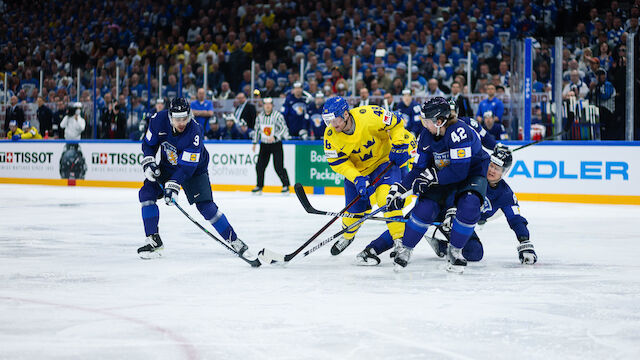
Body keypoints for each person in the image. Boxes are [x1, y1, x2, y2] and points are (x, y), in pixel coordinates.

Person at [380, 97, 490, 273]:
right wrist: (399, 189)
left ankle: (455, 251)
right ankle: (406, 249)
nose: (423, 124)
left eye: (426, 120)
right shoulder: (425, 135)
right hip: (443, 174)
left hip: (471, 174)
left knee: (470, 206)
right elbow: (418, 168)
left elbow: (459, 172)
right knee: (425, 208)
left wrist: (432, 177)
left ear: (439, 121)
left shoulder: (459, 131)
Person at [137, 97, 254, 260]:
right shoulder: (157, 120)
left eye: (185, 118)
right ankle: (153, 240)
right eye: (178, 119)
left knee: (206, 207)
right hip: (168, 165)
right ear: (170, 116)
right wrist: (149, 160)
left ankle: (234, 240)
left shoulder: (194, 132)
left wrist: (174, 184)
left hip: (194, 170)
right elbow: (148, 144)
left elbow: (187, 167)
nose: (182, 122)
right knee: (146, 194)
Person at [322, 97, 412, 256]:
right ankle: (348, 236)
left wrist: (398, 144)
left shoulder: (370, 114)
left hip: (383, 164)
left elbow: (397, 122)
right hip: (359, 172)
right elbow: (338, 162)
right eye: (329, 121)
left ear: (345, 114)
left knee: (387, 199)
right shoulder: (330, 135)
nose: (333, 125)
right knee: (352, 213)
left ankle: (400, 242)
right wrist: (356, 178)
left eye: (335, 120)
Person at [424, 147, 537, 265]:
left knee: (475, 253)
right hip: (444, 212)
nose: (492, 170)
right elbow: (451, 191)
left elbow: (515, 219)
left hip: (463, 223)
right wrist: (450, 209)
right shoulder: (472, 175)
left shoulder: (505, 194)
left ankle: (440, 244)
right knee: (413, 222)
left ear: (504, 172)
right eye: (491, 166)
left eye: (497, 169)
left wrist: (524, 241)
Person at [251, 98, 291, 194]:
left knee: (278, 166)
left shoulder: (277, 116)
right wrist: (255, 142)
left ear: (272, 105)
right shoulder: (259, 117)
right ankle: (259, 186)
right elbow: (257, 130)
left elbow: (284, 128)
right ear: (263, 105)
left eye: (269, 104)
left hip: (276, 144)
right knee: (260, 166)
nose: (267, 106)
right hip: (264, 145)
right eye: (265, 104)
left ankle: (286, 185)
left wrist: (276, 136)